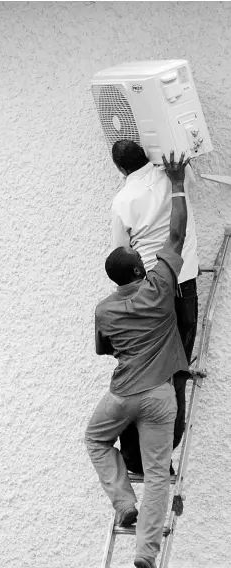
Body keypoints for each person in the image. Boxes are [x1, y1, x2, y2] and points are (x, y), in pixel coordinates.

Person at [85, 151, 190, 568]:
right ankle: (146, 552)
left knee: (95, 440)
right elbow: (177, 235)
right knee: (158, 472)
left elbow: (104, 350)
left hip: (123, 395)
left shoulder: (104, 310)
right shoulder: (160, 286)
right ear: (140, 267)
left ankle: (124, 504)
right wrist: (177, 184)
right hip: (161, 396)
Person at [110, 140, 198, 475]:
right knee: (176, 372)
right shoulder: (170, 177)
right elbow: (177, 232)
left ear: (121, 169)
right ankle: (162, 458)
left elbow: (119, 254)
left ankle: (135, 458)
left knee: (142, 375)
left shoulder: (123, 200)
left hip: (150, 291)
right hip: (182, 285)